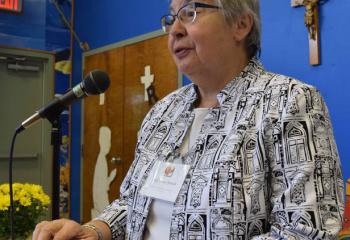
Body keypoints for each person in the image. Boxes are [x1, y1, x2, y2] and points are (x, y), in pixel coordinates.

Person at [33, 0, 345, 239]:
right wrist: (95, 230)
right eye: (171, 17)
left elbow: (305, 231)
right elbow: (133, 202)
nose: (175, 29)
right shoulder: (164, 111)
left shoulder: (289, 101)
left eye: (191, 11)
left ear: (241, 24)